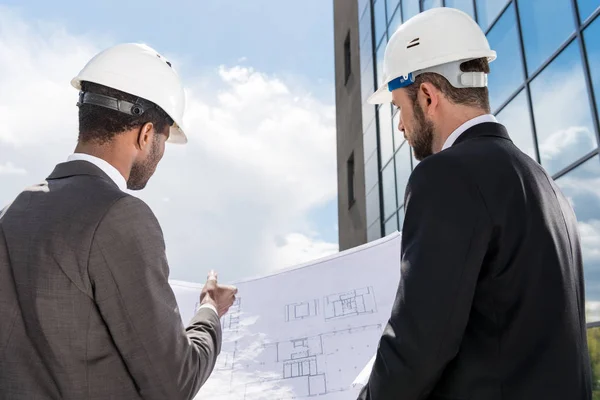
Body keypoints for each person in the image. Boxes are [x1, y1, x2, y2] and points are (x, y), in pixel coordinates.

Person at [358, 7, 592, 400]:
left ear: (428, 95)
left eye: (399, 107)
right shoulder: (547, 185)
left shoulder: (446, 176)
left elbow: (418, 345)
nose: (400, 125)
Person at [0, 43, 237, 400]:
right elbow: (174, 382)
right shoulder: (121, 217)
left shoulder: (13, 212)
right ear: (145, 135)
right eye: (162, 141)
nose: (160, 155)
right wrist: (209, 310)